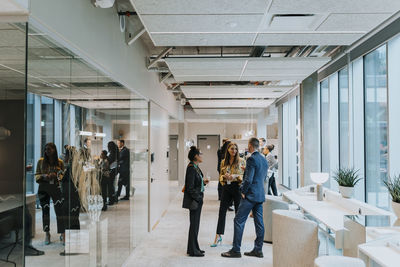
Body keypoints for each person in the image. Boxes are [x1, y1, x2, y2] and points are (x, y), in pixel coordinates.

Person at [221, 137, 268, 258]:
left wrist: (242, 190)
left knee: (238, 220)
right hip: (260, 195)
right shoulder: (263, 159)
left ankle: (236, 250)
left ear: (251, 146)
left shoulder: (251, 159)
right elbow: (260, 176)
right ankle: (258, 249)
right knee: (259, 223)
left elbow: (249, 180)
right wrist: (247, 170)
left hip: (250, 195)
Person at [211, 143, 245, 247]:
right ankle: (218, 236)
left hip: (237, 188)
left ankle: (237, 239)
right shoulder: (223, 162)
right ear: (228, 150)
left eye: (235, 149)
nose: (233, 151)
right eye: (231, 149)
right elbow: (220, 176)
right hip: (226, 188)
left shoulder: (242, 161)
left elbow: (245, 176)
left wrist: (235, 177)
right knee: (222, 212)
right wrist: (225, 177)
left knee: (238, 214)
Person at [35, 143, 65, 245]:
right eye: (45, 149)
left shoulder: (60, 162)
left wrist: (56, 176)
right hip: (43, 187)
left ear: (54, 150)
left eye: (49, 149)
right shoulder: (40, 161)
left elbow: (63, 176)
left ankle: (62, 233)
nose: (47, 151)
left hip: (56, 188)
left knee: (59, 211)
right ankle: (47, 233)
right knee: (45, 211)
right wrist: (45, 176)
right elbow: (36, 175)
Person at [182, 146, 209, 257]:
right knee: (194, 225)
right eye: (200, 154)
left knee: (195, 225)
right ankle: (193, 250)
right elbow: (190, 187)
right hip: (195, 200)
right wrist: (198, 198)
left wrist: (203, 182)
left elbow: (196, 182)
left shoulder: (195, 167)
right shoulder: (191, 168)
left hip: (197, 198)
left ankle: (193, 248)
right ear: (196, 156)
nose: (202, 156)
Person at [59, 147, 81, 254]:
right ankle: (75, 246)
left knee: (70, 223)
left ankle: (71, 248)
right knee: (74, 222)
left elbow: (68, 187)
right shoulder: (75, 167)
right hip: (74, 199)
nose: (64, 157)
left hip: (70, 200)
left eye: (66, 155)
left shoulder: (71, 169)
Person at [107, 141, 119, 205]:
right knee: (113, 185)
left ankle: (111, 200)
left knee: (110, 185)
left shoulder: (112, 154)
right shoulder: (116, 152)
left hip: (112, 170)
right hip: (115, 170)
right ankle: (114, 198)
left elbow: (109, 161)